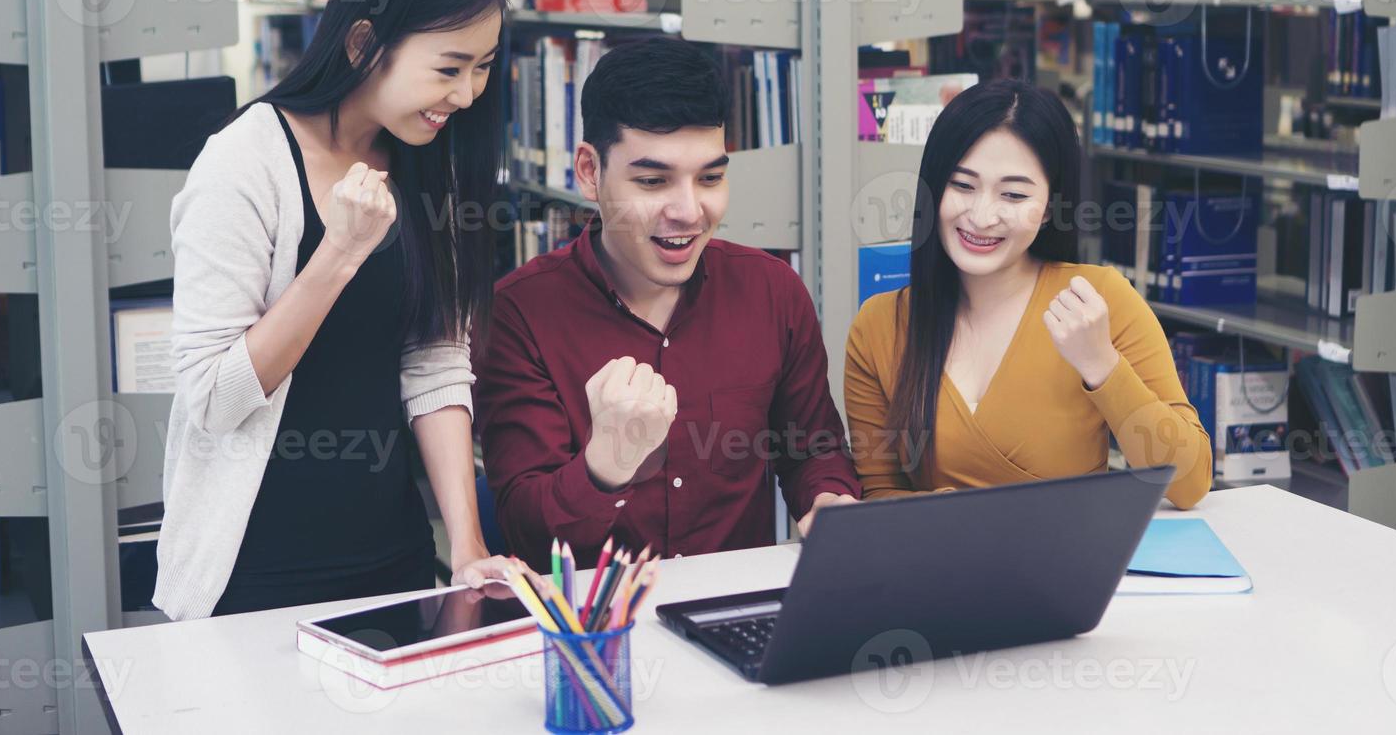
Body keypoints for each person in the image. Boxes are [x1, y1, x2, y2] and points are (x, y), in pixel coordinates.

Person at [154, 0, 511, 620]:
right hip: (254, 576)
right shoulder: (242, 164)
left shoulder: (424, 160)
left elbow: (436, 363)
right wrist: (340, 252)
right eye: (448, 68)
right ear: (362, 43)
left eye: (483, 67)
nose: (467, 95)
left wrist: (466, 547)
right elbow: (215, 399)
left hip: (396, 559)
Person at [475, 37, 860, 569]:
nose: (688, 211)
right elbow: (527, 536)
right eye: (653, 181)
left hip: (730, 617)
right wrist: (604, 465)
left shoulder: (772, 291)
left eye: (711, 178)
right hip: (595, 633)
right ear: (590, 172)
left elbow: (812, 450)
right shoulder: (519, 314)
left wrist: (825, 499)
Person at [843, 79, 1211, 509]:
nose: (982, 216)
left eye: (1014, 194)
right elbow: (879, 494)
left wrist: (1102, 366)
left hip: (1071, 569)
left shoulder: (1100, 300)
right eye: (962, 185)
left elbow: (1188, 482)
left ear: (1051, 206)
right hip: (939, 569)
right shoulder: (879, 325)